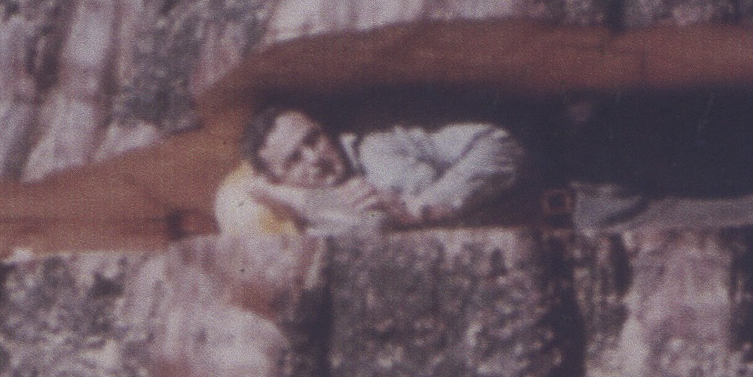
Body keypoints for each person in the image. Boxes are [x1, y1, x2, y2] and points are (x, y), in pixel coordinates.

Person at [214, 104, 530, 238]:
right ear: (277, 180)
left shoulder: (377, 147)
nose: (314, 158)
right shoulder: (305, 226)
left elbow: (497, 143)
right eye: (294, 159)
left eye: (313, 139)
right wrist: (280, 195)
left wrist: (425, 205)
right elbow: (370, 224)